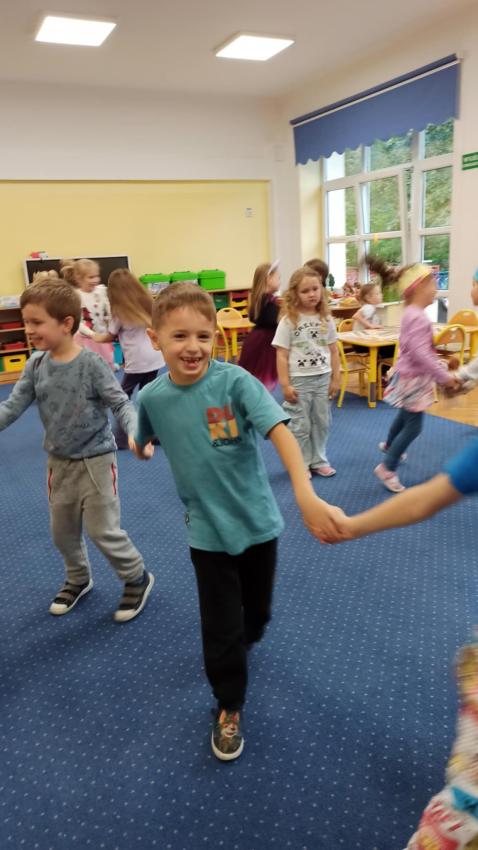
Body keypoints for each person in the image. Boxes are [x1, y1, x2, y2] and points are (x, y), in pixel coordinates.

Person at [130, 282, 338, 761]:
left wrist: (304, 492)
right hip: (206, 531)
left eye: (203, 336)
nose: (193, 347)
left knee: (256, 615)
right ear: (154, 338)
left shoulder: (235, 383)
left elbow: (280, 431)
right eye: (179, 336)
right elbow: (145, 434)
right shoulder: (153, 398)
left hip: (258, 523)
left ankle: (246, 638)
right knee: (220, 625)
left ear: (216, 337)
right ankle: (228, 704)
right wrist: (141, 448)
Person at [0, 278, 154, 622]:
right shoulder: (35, 366)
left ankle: (136, 577)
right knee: (63, 533)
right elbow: (11, 407)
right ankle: (78, 578)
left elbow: (121, 403)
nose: (28, 329)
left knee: (103, 530)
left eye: (36, 322)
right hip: (59, 463)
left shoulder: (91, 365)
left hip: (96, 461)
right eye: (25, 322)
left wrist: (135, 432)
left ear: (66, 323)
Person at [372, 261, 457, 493]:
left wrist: (437, 363)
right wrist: (443, 376)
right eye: (432, 284)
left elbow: (415, 349)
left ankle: (390, 446)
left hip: (408, 375)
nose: (436, 289)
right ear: (418, 287)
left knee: (404, 416)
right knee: (414, 426)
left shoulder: (411, 314)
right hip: (415, 379)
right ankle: (387, 467)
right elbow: (420, 354)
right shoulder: (418, 317)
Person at [272, 265, 340, 478]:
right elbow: (281, 355)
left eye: (315, 289)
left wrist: (336, 378)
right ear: (295, 294)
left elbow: (334, 351)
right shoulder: (289, 321)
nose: (312, 294)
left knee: (322, 421)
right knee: (300, 423)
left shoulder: (326, 318)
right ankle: (301, 462)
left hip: (323, 377)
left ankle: (319, 460)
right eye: (305, 291)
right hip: (300, 380)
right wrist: (285, 384)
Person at [92, 269, 165, 448]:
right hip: (155, 357)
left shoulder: (119, 313)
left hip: (138, 362)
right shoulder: (148, 304)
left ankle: (123, 437)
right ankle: (153, 433)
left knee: (121, 398)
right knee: (147, 395)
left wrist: (93, 336)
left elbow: (109, 336)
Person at [60, 258, 114, 369]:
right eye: (91, 277)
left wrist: (112, 324)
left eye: (97, 276)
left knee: (106, 366)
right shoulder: (77, 296)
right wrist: (92, 335)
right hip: (86, 339)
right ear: (79, 279)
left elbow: (108, 309)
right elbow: (77, 322)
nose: (95, 280)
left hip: (102, 337)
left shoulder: (102, 290)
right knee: (89, 368)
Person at [237, 260, 281, 391]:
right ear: (268, 279)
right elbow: (274, 321)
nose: (280, 281)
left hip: (261, 341)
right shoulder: (266, 301)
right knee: (260, 380)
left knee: (258, 380)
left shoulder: (262, 299)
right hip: (263, 345)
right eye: (278, 278)